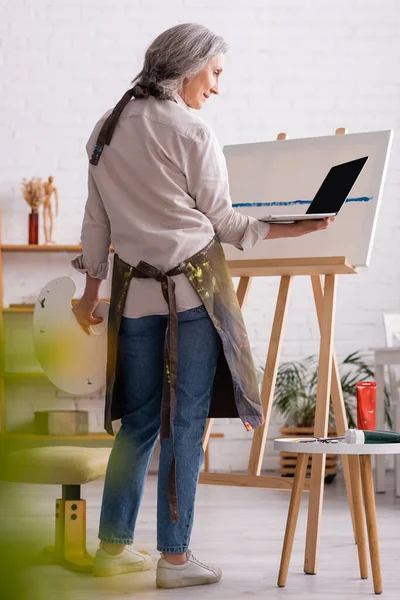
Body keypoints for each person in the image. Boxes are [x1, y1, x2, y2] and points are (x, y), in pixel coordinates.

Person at [71, 22, 333, 590]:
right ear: (188, 67)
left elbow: (97, 228)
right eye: (214, 73)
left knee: (137, 425)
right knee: (184, 427)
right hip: (191, 298)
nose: (216, 87)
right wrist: (300, 228)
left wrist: (88, 297)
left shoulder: (106, 128)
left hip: (135, 302)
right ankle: (175, 559)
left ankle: (112, 550)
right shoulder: (190, 131)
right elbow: (227, 224)